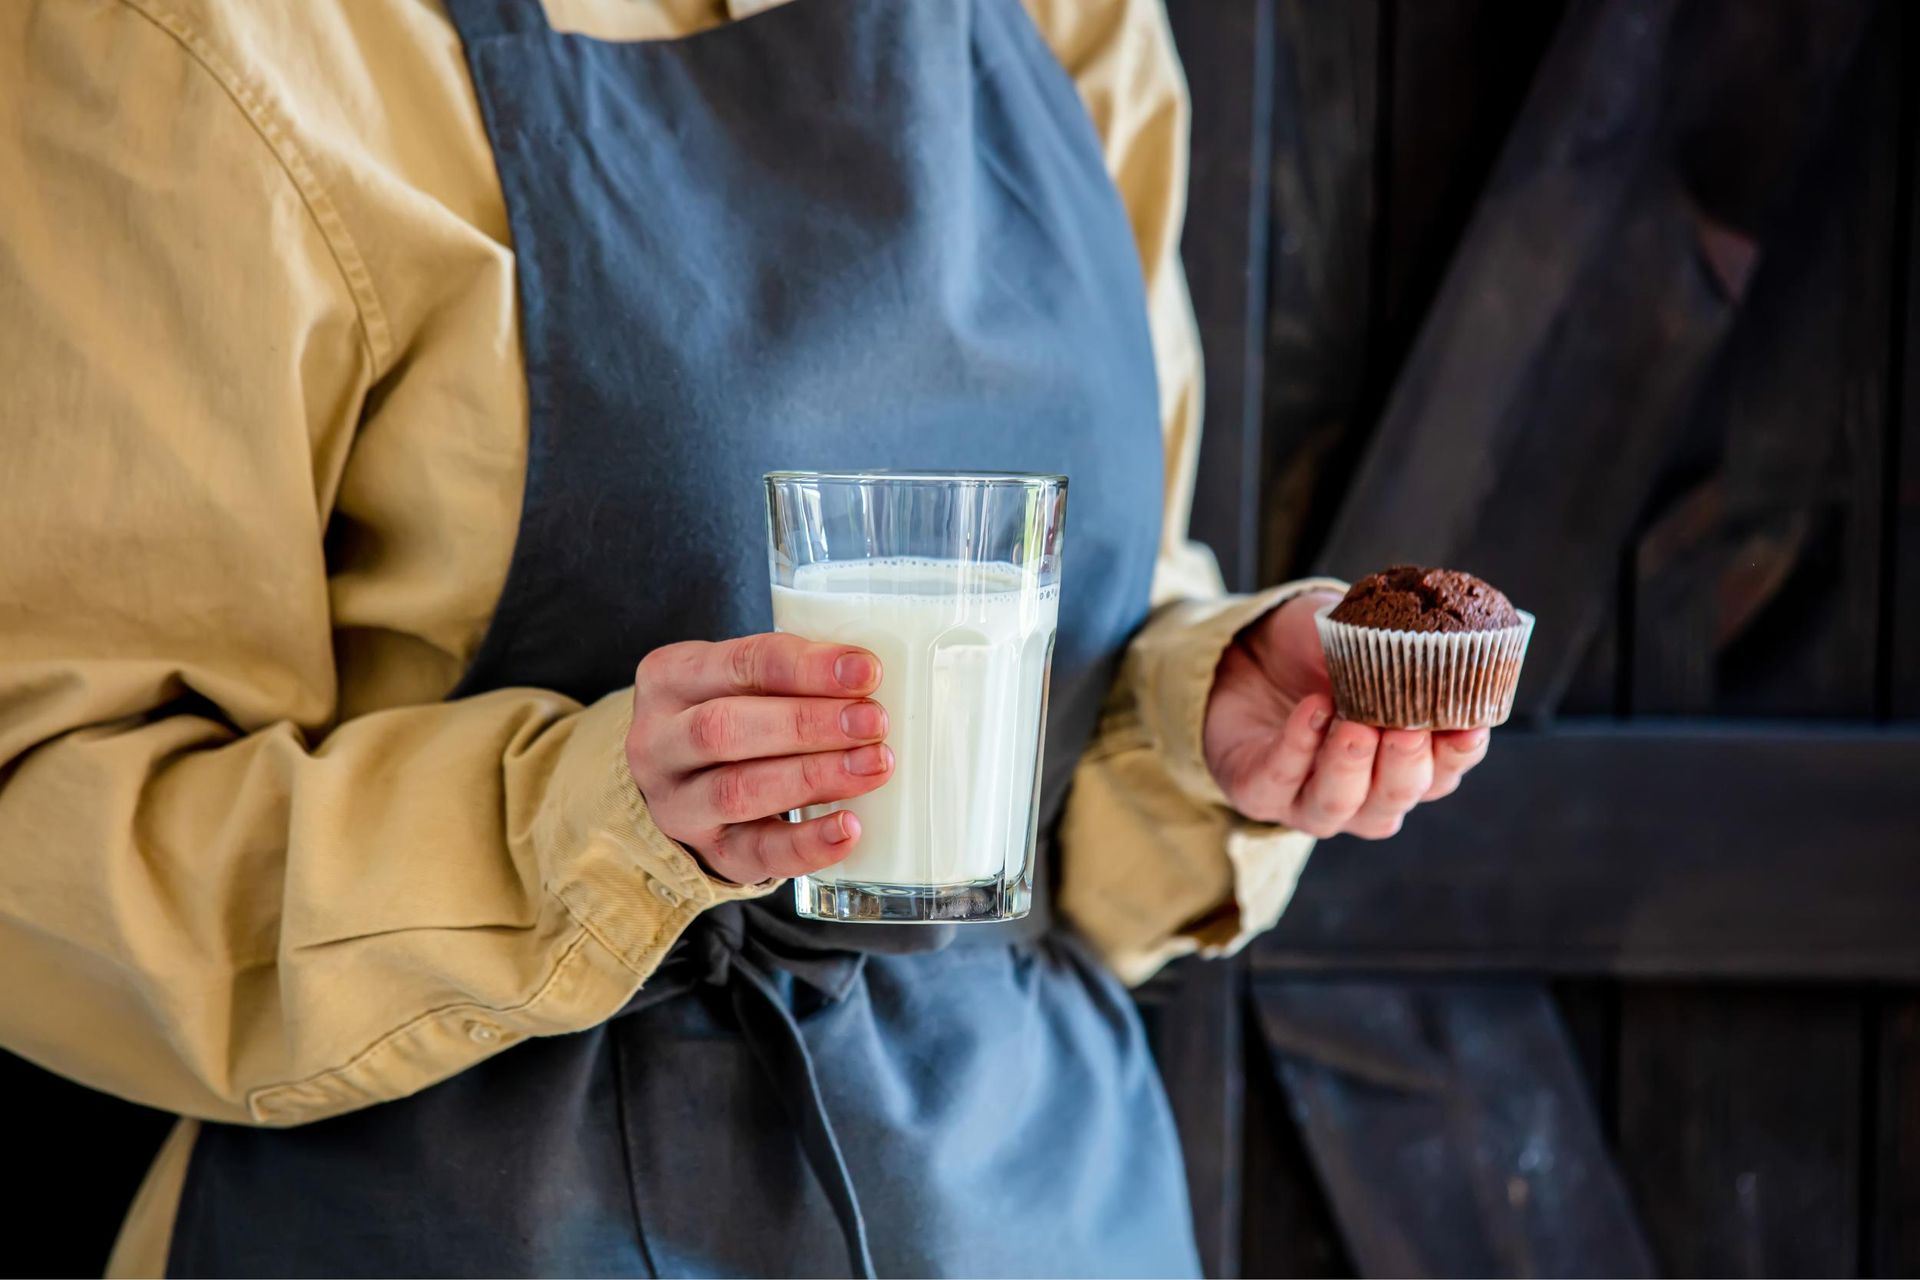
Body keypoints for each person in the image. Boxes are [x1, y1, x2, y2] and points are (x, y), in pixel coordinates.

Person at [0, 0, 1492, 1274]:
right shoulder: (208, 43)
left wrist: (1194, 715)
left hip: (1044, 1207)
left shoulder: (1069, 23)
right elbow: (43, 825)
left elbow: (1081, 742)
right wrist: (590, 830)